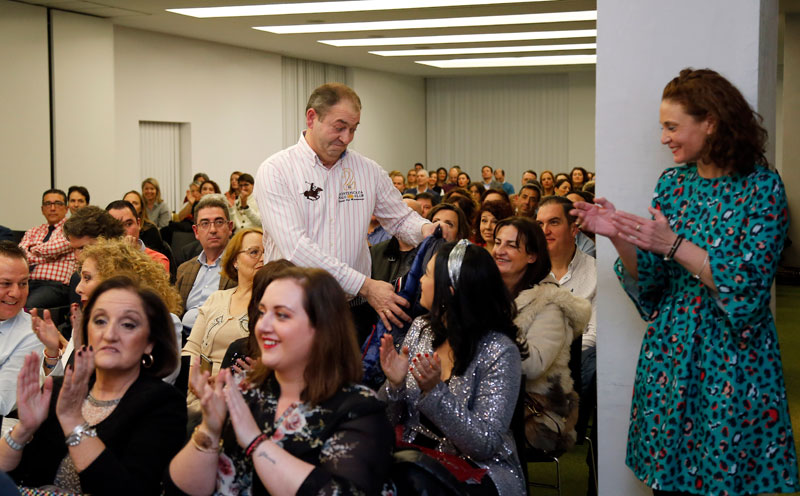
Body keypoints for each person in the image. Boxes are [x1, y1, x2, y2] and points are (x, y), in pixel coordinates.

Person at [572, 68, 799, 495]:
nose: (664, 138)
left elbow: (747, 286)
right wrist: (617, 235)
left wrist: (674, 244)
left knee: (725, 478)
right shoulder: (673, 186)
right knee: (668, 483)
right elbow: (651, 280)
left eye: (672, 126)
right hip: (670, 361)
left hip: (732, 363)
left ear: (710, 122)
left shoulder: (762, 189)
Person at [167, 267, 394, 495]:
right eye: (262, 312)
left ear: (322, 328)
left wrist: (255, 442)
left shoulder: (359, 410)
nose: (263, 326)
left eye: (282, 315)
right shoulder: (246, 391)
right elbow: (180, 489)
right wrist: (209, 429)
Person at [255, 82, 436, 335]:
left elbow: (400, 219)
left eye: (353, 129)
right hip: (293, 309)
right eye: (339, 127)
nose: (347, 138)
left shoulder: (368, 171)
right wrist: (365, 285)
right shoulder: (276, 171)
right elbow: (296, 249)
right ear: (312, 118)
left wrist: (426, 229)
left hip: (353, 310)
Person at [3, 275, 186, 494]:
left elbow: (129, 491)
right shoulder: (59, 389)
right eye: (100, 321)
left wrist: (74, 423)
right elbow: (8, 477)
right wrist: (23, 430)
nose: (109, 334)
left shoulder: (163, 403)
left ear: (150, 343)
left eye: (128, 325)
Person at [379, 240, 525, 495]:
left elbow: (484, 444)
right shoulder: (422, 329)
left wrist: (435, 392)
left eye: (427, 274)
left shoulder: (500, 351)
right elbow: (388, 422)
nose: (420, 280)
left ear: (449, 292)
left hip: (477, 472)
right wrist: (394, 384)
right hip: (415, 457)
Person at [492, 217, 590, 456]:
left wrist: (498, 324)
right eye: (497, 242)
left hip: (535, 412)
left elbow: (532, 366)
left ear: (532, 256)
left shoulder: (549, 304)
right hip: (496, 397)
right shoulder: (489, 293)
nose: (499, 251)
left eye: (511, 245)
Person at [34, 238, 183, 385]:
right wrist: (52, 353)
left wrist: (84, 354)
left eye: (87, 278)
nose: (78, 289)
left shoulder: (165, 322)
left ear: (115, 281)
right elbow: (58, 389)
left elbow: (158, 386)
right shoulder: (86, 322)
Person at [183, 228, 262, 417]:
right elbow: (191, 349)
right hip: (198, 391)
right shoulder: (216, 298)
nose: (263, 259)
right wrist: (195, 381)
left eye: (267, 253)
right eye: (254, 252)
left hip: (238, 395)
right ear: (235, 261)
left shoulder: (268, 304)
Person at [176, 195, 236, 337]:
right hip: (184, 337)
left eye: (219, 222)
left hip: (220, 337)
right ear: (196, 231)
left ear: (230, 227)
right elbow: (176, 310)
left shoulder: (239, 265)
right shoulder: (185, 269)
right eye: (205, 223)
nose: (212, 229)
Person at [0, 242, 44, 416]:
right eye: (6, 283)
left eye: (23, 283)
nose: (16, 293)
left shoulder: (31, 333)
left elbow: (4, 402)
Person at [19, 189, 75, 310]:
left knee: (29, 307)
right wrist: (50, 258)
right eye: (48, 204)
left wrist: (33, 249)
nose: (52, 208)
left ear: (66, 209)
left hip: (55, 285)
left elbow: (56, 248)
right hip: (27, 282)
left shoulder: (73, 229)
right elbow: (21, 256)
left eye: (58, 203)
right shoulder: (33, 231)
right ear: (42, 209)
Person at [106, 200, 170, 272]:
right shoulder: (101, 259)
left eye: (128, 224)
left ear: (138, 224)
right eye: (115, 226)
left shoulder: (158, 260)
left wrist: (130, 256)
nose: (123, 231)